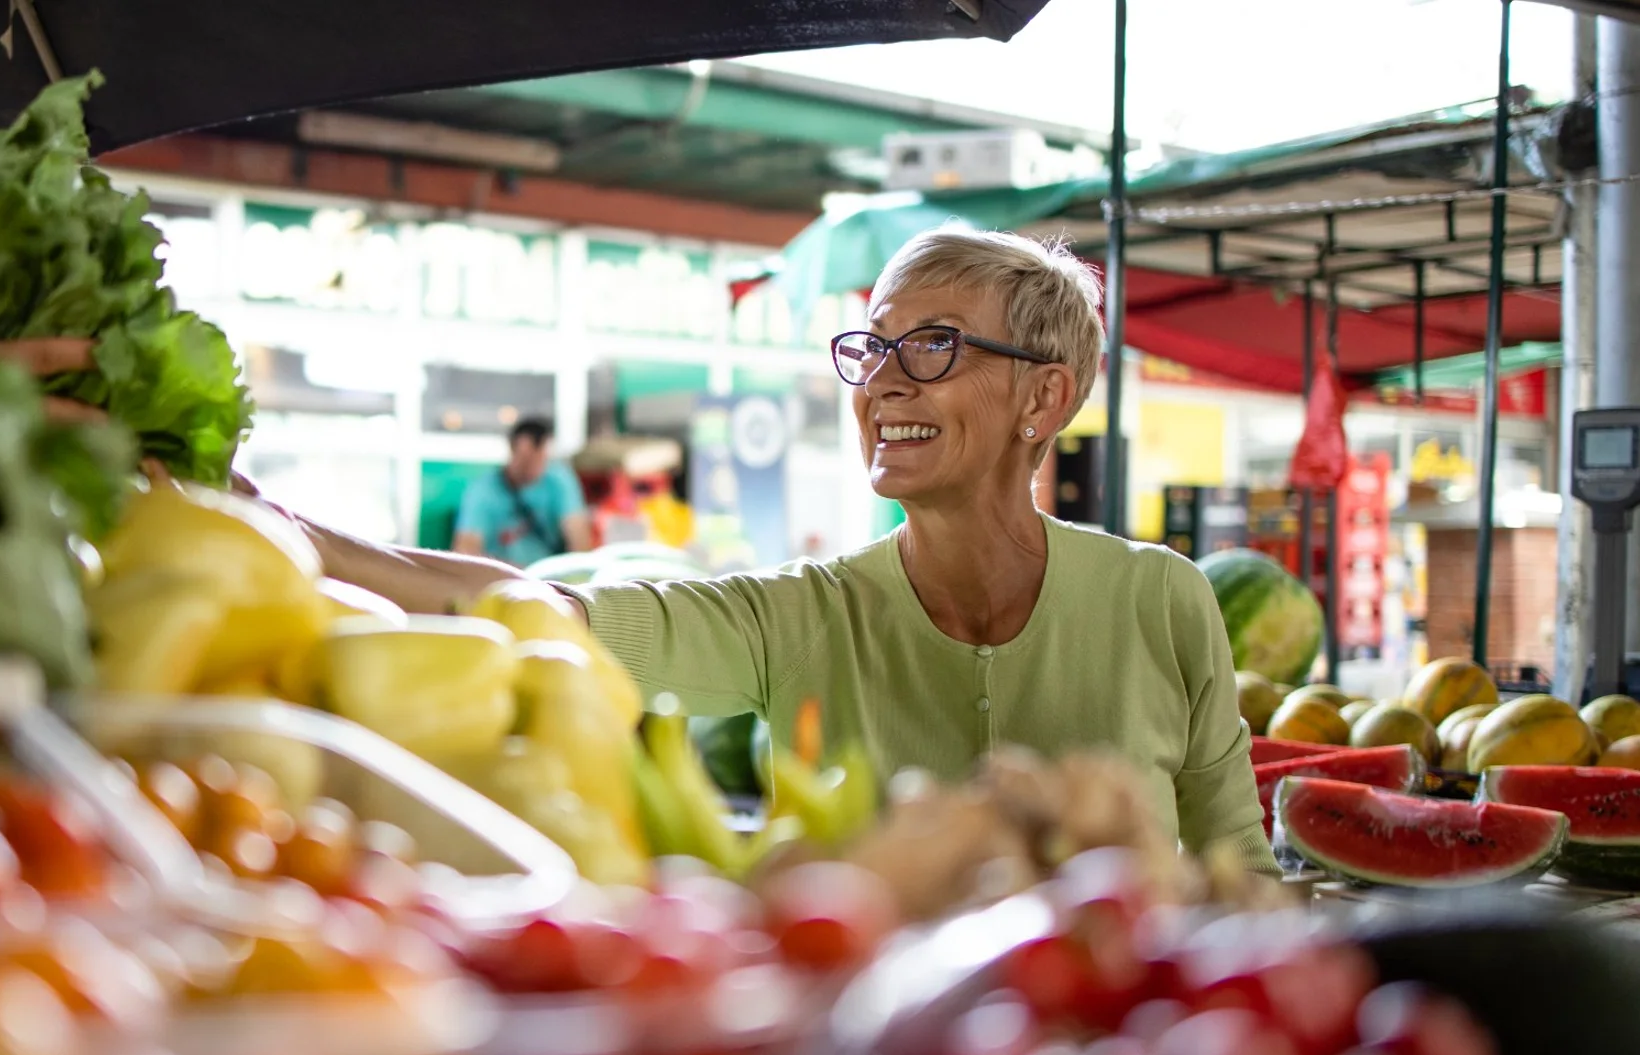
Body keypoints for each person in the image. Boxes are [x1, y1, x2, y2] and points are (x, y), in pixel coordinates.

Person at [248, 227, 1276, 873]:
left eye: (932, 346)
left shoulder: (1162, 602)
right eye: (870, 346)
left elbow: (1243, 877)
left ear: (1044, 395)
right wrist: (277, 528)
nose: (880, 382)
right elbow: (535, 607)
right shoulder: (803, 614)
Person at [452, 417, 595, 566]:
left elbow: (579, 540)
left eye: (540, 456)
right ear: (512, 450)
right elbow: (465, 550)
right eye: (526, 457)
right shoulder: (483, 490)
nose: (533, 463)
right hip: (501, 578)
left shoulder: (559, 480)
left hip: (549, 580)